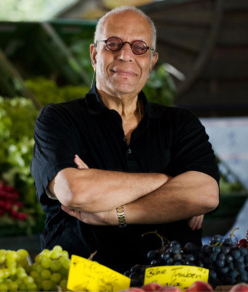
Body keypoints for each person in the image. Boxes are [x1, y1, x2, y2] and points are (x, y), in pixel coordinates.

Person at [30, 6, 219, 273]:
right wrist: (166, 181)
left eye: (140, 47)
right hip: (84, 284)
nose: (125, 55)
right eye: (113, 44)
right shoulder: (58, 119)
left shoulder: (180, 123)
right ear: (95, 54)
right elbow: (75, 192)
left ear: (152, 60)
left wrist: (113, 215)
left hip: (171, 283)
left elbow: (205, 193)